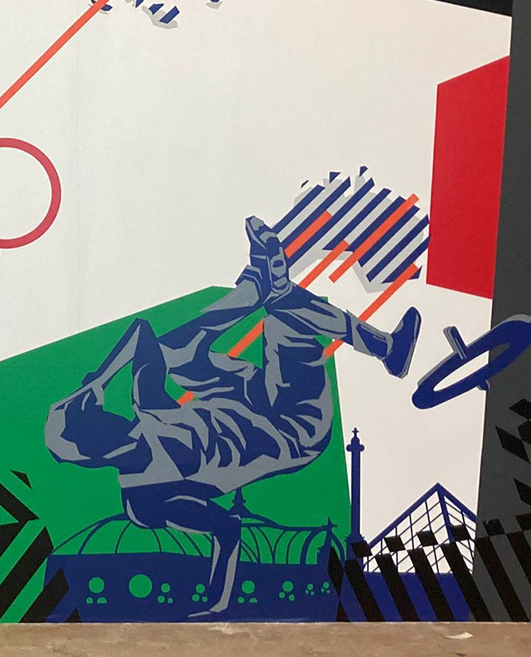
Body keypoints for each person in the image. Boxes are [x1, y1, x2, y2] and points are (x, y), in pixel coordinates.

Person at [44, 216, 420, 614]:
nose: (105, 411)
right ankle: (359, 335)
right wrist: (217, 605)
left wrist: (100, 378)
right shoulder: (146, 498)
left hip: (245, 396)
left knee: (174, 352)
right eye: (93, 415)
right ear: (94, 447)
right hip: (293, 427)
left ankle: (260, 288)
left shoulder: (146, 409)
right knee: (283, 321)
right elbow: (225, 530)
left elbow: (142, 333)